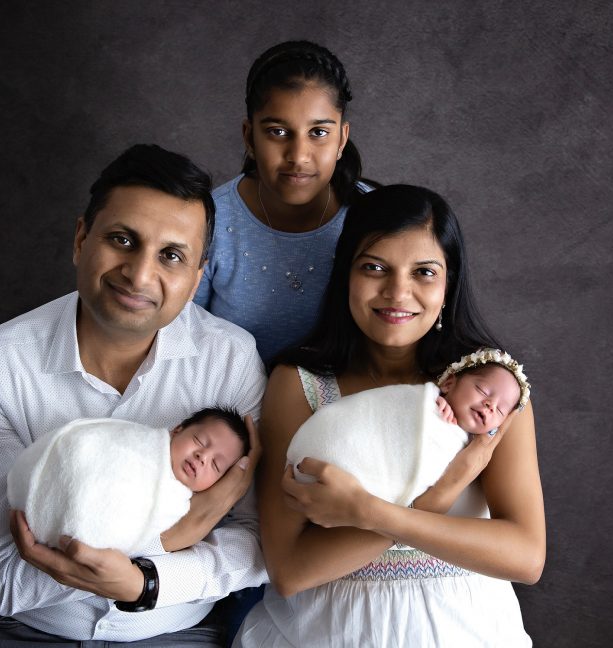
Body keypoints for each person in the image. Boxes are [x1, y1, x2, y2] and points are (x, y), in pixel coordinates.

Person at [0, 143, 268, 647]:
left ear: (196, 277)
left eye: (171, 256)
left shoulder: (230, 361)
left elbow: (256, 546)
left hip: (173, 632)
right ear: (82, 238)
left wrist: (148, 585)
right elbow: (2, 581)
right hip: (20, 631)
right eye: (122, 239)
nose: (140, 275)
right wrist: (172, 538)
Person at [234, 184, 545, 647]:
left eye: (424, 272)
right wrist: (437, 498)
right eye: (374, 267)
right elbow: (290, 571)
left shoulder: (491, 389)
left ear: (448, 284)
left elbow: (526, 557)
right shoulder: (299, 384)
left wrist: (370, 513)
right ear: (346, 276)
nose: (398, 292)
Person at [193, 40, 379, 364]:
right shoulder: (207, 219)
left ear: (342, 139)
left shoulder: (376, 217)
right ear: (250, 137)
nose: (298, 156)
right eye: (278, 132)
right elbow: (181, 337)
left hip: (346, 403)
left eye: (318, 133)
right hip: (226, 404)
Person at [286, 347, 531, 510]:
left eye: (500, 410)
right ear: (448, 382)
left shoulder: (484, 449)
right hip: (327, 460)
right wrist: (430, 405)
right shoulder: (426, 403)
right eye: (483, 391)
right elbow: (386, 421)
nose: (490, 405)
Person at [7, 407, 250, 555]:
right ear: (177, 429)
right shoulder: (139, 442)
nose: (202, 457)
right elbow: (91, 446)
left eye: (216, 465)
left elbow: (146, 534)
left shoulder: (179, 503)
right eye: (199, 441)